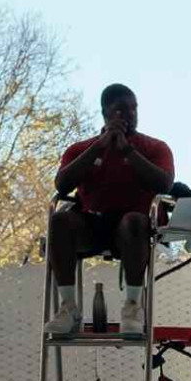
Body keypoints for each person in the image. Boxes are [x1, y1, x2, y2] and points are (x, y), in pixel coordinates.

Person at [46, 83, 174, 337]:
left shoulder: (155, 148)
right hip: (93, 222)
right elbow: (61, 184)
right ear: (106, 113)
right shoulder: (80, 149)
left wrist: (127, 149)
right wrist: (100, 146)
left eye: (134, 108)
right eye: (121, 109)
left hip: (134, 229)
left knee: (133, 221)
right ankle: (69, 307)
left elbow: (164, 183)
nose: (130, 114)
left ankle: (133, 307)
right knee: (59, 220)